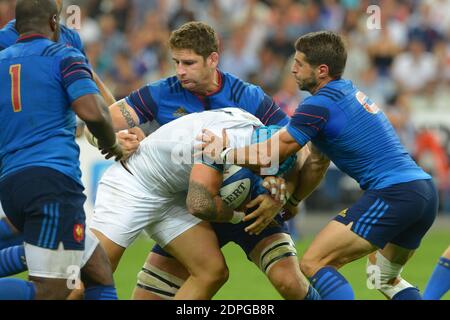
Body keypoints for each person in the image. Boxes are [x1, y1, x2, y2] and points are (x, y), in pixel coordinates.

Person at [198, 31, 438, 300]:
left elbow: (271, 154)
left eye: (300, 63)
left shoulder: (318, 105)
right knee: (383, 278)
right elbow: (316, 162)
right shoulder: (345, 93)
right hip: (424, 192)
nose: (293, 69)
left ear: (321, 70)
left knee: (315, 262)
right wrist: (293, 200)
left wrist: (225, 151)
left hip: (395, 194)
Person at [97, 21, 327, 300]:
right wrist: (112, 141)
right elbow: (99, 123)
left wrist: (281, 196)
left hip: (250, 205)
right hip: (189, 206)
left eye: (189, 63)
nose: (180, 71)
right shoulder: (161, 92)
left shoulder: (248, 97)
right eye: (176, 62)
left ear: (213, 59)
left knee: (289, 282)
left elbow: (293, 148)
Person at [90, 107, 320, 300]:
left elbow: (296, 154)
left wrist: (280, 190)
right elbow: (199, 204)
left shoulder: (258, 133)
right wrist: (237, 215)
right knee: (95, 271)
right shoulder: (215, 143)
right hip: (133, 184)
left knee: (211, 272)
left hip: (172, 196)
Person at [0, 0, 123, 300]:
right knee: (52, 290)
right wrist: (111, 142)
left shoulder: (4, 57)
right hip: (53, 180)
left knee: (96, 269)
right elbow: (92, 111)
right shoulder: (63, 54)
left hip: (14, 182)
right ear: (54, 21)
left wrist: (119, 114)